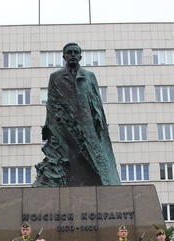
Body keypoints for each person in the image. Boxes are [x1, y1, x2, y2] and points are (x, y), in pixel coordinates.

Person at [34, 42, 120, 186]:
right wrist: (50, 126)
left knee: (93, 156)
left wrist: (98, 118)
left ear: (80, 56)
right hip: (65, 124)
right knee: (70, 156)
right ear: (64, 56)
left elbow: (96, 100)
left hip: (87, 124)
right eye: (69, 53)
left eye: (75, 52)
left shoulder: (89, 76)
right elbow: (51, 102)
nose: (72, 55)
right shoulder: (55, 77)